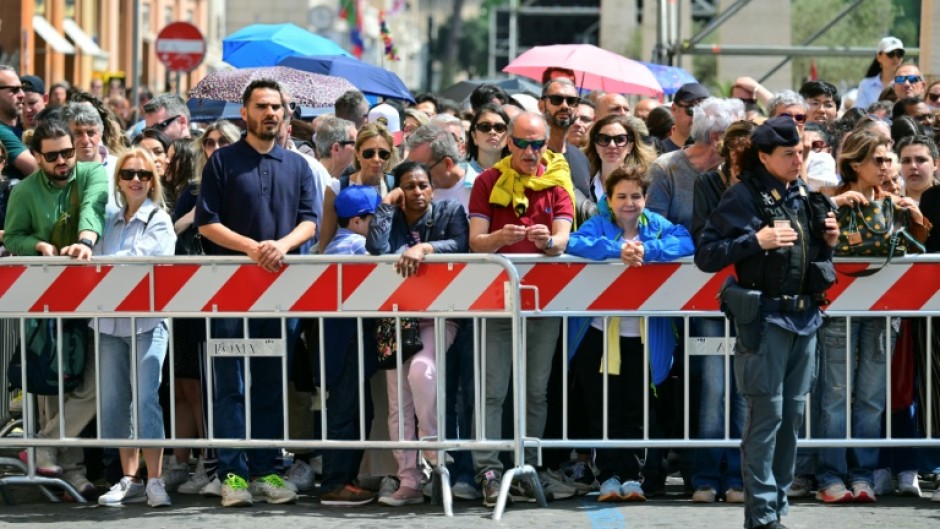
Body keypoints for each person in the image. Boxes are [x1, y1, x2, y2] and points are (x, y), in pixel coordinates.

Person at [695, 116, 840, 529]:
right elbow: (707, 254)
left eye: (802, 152)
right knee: (766, 418)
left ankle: (777, 508)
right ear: (764, 157)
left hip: (805, 319)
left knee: (791, 420)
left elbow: (811, 265)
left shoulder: (803, 196)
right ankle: (761, 516)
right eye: (789, 154)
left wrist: (826, 243)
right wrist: (754, 241)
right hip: (767, 321)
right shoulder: (743, 196)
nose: (798, 160)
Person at [195, 78, 317, 507]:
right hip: (228, 291)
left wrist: (281, 247)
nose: (270, 113)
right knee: (230, 383)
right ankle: (231, 475)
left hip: (281, 291)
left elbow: (310, 221)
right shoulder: (222, 162)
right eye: (261, 106)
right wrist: (253, 248)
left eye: (277, 107)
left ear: (285, 114)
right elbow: (206, 222)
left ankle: (267, 469)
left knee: (269, 382)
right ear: (243, 112)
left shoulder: (299, 165)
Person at [814, 131, 929, 504]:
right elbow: (807, 238)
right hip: (836, 310)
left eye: (887, 160)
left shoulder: (895, 204)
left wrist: (914, 220)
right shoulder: (830, 198)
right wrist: (829, 205)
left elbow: (917, 250)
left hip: (882, 312)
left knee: (871, 398)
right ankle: (830, 475)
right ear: (855, 164)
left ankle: (862, 473)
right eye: (877, 161)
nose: (886, 167)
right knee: (834, 395)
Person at [566, 166, 693, 503]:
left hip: (643, 338)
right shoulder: (598, 224)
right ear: (608, 199)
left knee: (636, 410)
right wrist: (614, 251)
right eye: (621, 196)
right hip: (599, 338)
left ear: (645, 198)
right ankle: (607, 476)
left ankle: (634, 477)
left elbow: (685, 241)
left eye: (635, 196)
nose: (628, 202)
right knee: (603, 409)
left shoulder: (657, 225)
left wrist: (649, 252)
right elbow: (577, 243)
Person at [468, 111, 576, 506]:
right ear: (509, 143)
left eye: (538, 145)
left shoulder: (557, 182)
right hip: (495, 301)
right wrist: (498, 236)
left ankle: (528, 466)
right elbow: (475, 242)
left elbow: (564, 241)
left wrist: (548, 241)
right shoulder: (486, 181)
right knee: (493, 391)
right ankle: (489, 471)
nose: (531, 153)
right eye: (524, 144)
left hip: (542, 303)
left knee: (535, 391)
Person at [3, 120, 108, 498]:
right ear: (37, 157)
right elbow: (13, 235)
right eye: (53, 156)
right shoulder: (25, 192)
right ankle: (73, 475)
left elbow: (94, 209)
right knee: (54, 389)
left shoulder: (92, 172)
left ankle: (43, 444)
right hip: (44, 302)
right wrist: (39, 247)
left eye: (68, 152)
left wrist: (84, 241)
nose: (64, 160)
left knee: (97, 383)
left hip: (95, 297)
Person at [366, 161, 469, 506]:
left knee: (422, 372)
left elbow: (460, 243)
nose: (418, 192)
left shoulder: (450, 210)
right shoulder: (390, 215)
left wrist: (425, 248)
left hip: (438, 318)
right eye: (409, 186)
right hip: (395, 319)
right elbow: (377, 248)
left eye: (423, 185)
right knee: (398, 403)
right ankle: (408, 480)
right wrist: (385, 205)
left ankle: (433, 447)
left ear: (432, 187)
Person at [94, 148, 176, 508]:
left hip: (147, 320)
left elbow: (144, 260)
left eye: (143, 174)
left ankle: (155, 478)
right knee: (114, 403)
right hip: (109, 322)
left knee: (146, 400)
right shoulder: (108, 221)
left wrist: (98, 261)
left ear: (153, 181)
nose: (136, 180)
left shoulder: (159, 219)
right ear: (119, 180)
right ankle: (129, 478)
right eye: (128, 174)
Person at [689, 120, 756, 505]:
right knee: (714, 389)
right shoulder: (707, 185)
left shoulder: (765, 187)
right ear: (727, 153)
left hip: (752, 298)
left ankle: (738, 476)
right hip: (712, 298)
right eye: (738, 156)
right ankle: (705, 476)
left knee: (745, 391)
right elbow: (705, 239)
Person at [317, 184, 382, 506]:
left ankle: (345, 479)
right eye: (375, 218)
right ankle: (335, 482)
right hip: (348, 340)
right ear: (358, 221)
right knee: (348, 410)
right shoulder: (355, 246)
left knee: (355, 409)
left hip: (342, 339)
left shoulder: (335, 245)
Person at [648, 97, 745, 232]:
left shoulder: (735, 169)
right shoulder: (665, 168)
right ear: (716, 137)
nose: (743, 141)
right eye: (736, 135)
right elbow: (654, 228)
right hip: (681, 251)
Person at [318, 123, 398, 252]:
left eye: (383, 154)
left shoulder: (396, 186)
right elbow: (325, 244)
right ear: (357, 153)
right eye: (369, 153)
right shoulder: (336, 188)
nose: (376, 159)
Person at [582, 114, 656, 215]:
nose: (612, 145)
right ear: (595, 145)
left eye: (620, 139)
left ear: (630, 147)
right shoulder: (583, 185)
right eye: (604, 139)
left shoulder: (645, 185)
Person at [0, 66, 39, 180]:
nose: (22, 94)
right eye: (14, 90)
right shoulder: (1, 131)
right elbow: (36, 170)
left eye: (21, 88)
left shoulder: (16, 128)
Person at [855, 37, 906, 110]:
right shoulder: (866, 84)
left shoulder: (907, 83)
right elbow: (859, 111)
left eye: (900, 54)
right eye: (890, 54)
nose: (895, 58)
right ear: (878, 57)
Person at [662, 83, 710, 153]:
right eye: (691, 109)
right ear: (674, 109)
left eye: (704, 110)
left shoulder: (716, 154)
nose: (698, 116)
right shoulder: (658, 152)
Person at [466, 104, 510, 173]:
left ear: (508, 137)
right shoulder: (460, 174)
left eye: (499, 127)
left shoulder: (519, 175)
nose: (492, 132)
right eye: (485, 127)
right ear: (473, 136)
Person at [897, 134, 938, 204]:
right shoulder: (887, 201)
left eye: (921, 160)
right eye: (906, 161)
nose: (913, 166)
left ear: (935, 164)